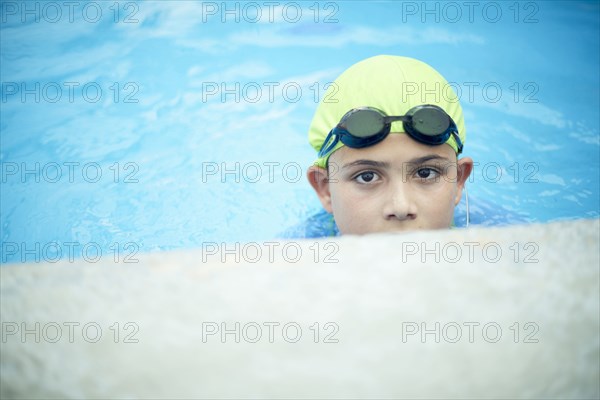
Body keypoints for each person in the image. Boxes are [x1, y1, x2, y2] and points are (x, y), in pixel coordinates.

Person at [305, 55, 474, 235]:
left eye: (426, 173)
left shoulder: (498, 236)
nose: (401, 208)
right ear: (326, 189)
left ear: (458, 181)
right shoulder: (301, 253)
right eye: (367, 177)